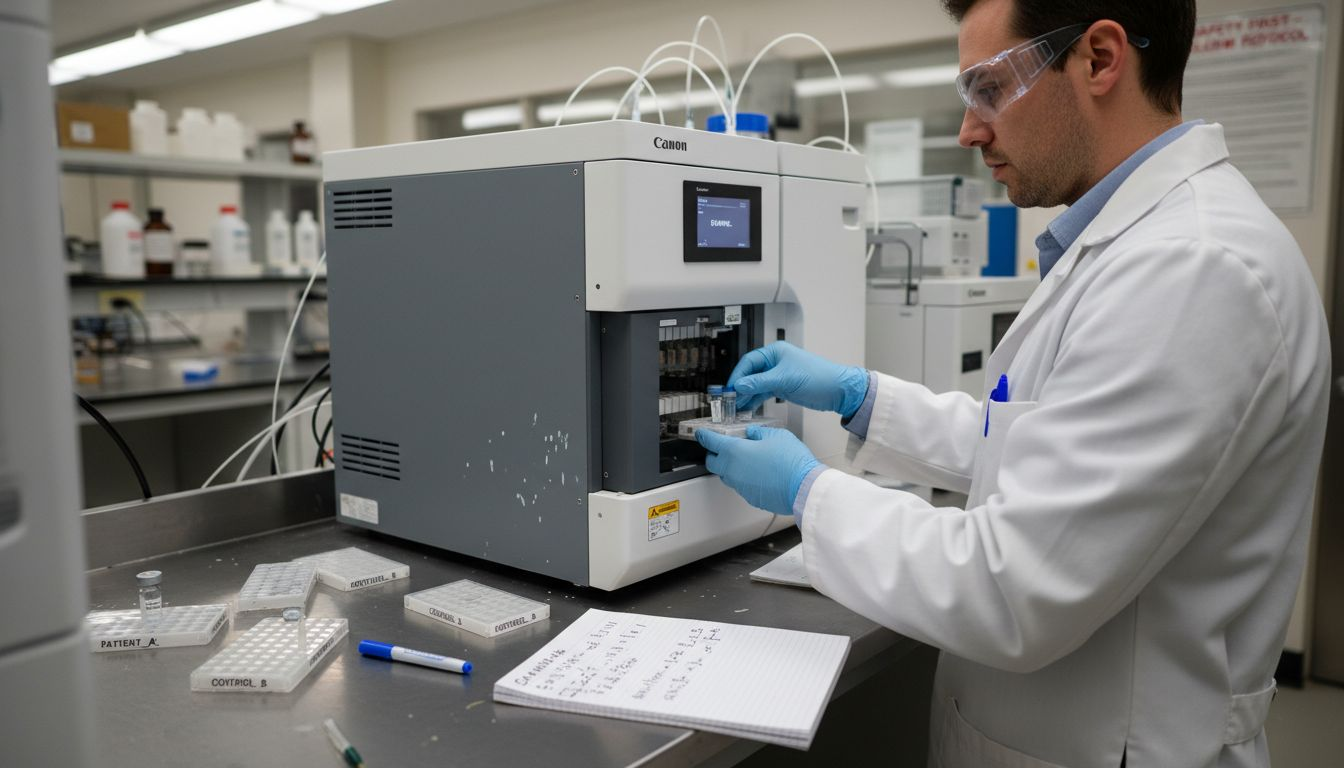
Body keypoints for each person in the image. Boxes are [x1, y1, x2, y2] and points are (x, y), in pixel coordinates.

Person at [695, 1, 1330, 766]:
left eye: (989, 89)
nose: (969, 131)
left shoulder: (1193, 269)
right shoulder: (1131, 247)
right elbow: (1032, 445)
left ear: (1099, 59)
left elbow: (1013, 590)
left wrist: (808, 492)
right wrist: (864, 396)